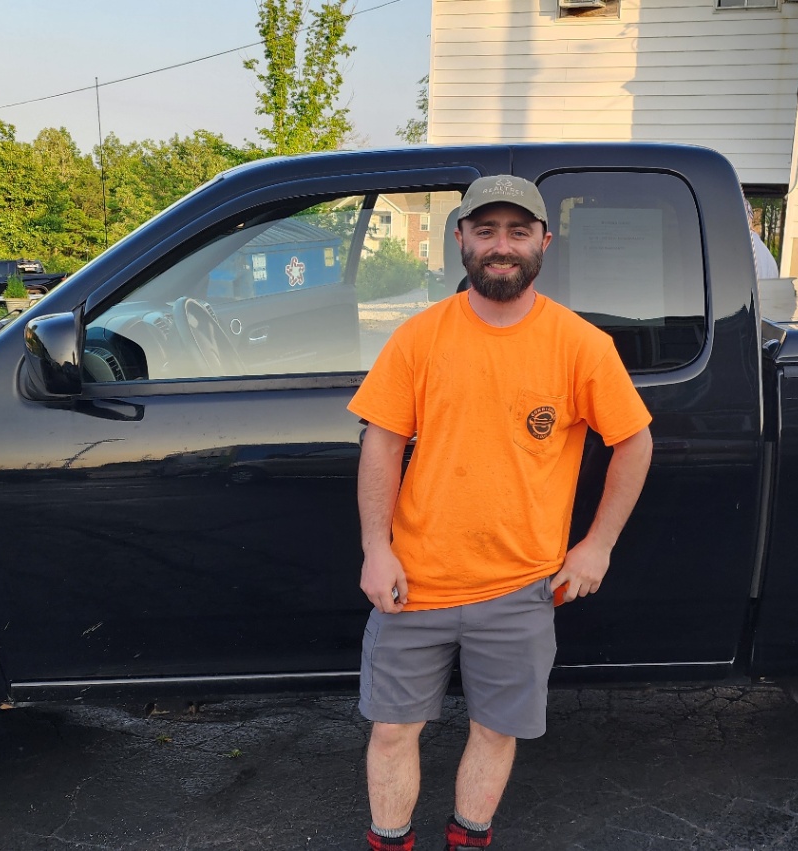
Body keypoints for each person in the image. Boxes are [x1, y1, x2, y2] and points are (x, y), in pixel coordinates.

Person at [348, 174, 654, 850]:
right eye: (485, 230)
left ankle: (469, 837)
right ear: (460, 239)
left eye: (518, 231)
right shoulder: (419, 337)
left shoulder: (580, 345)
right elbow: (382, 441)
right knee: (393, 728)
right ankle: (390, 839)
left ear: (544, 242)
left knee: (496, 728)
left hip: (522, 587)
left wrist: (597, 544)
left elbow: (634, 439)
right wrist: (377, 545)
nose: (501, 245)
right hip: (412, 585)